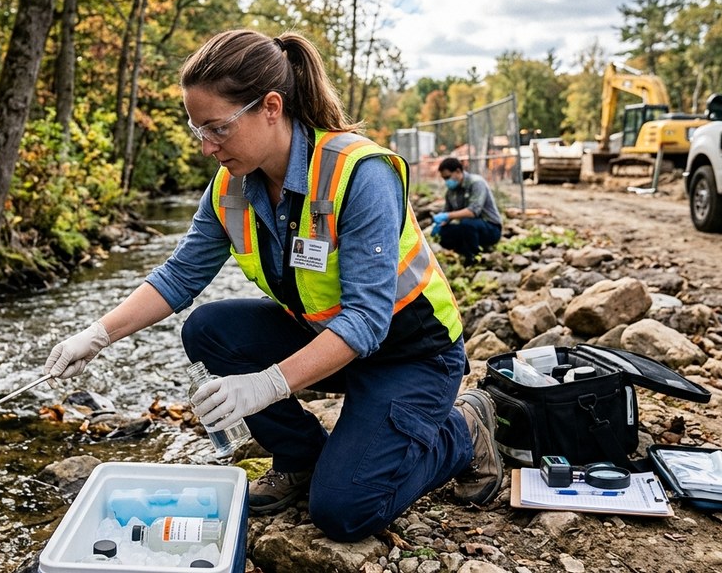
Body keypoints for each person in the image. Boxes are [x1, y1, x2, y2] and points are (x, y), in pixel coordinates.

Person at [42, 29, 502, 543]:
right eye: (198, 131)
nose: (206, 148)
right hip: (331, 345)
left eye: (217, 128)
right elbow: (178, 276)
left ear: (271, 107)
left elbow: (367, 321)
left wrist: (267, 385)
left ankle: (465, 431)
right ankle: (300, 459)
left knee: (344, 513)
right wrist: (97, 334)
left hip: (412, 355)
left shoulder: (360, 173)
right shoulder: (230, 188)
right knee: (210, 329)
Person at [430, 157, 503, 265]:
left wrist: (447, 215)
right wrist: (439, 225)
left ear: (458, 171)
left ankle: (473, 258)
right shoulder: (451, 192)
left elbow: (473, 212)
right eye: (444, 179)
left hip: (490, 228)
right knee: (444, 233)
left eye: (447, 177)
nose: (446, 181)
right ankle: (464, 253)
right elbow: (447, 214)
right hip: (470, 229)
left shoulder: (476, 183)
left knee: (467, 223)